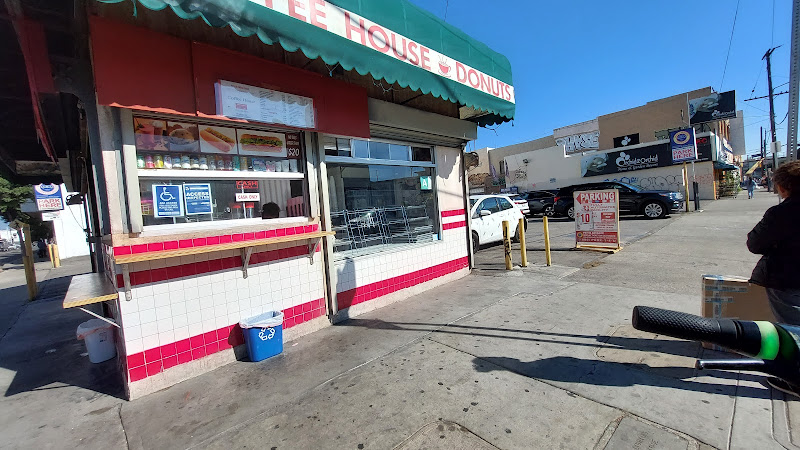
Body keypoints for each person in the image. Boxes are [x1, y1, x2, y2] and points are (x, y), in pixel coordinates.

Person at [747, 160, 800, 325]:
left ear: (784, 188)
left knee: (794, 331)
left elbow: (755, 243)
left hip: (788, 281)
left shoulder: (781, 213)